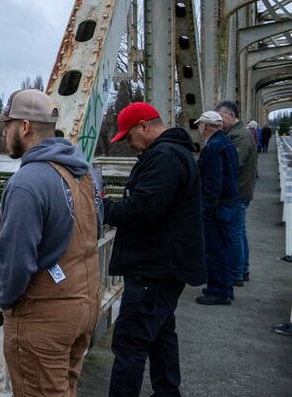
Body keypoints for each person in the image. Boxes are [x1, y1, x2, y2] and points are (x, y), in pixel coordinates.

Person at [0, 89, 104, 397]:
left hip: (44, 318)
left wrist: (7, 302)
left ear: (24, 127)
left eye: (7, 124)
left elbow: (15, 261)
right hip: (85, 304)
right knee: (65, 389)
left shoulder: (27, 182)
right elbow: (97, 229)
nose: (3, 132)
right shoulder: (86, 171)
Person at [104, 102, 206, 396]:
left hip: (153, 268)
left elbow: (142, 210)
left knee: (129, 342)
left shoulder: (163, 157)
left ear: (145, 126)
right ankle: (167, 392)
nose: (128, 143)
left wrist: (104, 208)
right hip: (167, 265)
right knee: (161, 333)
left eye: (128, 135)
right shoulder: (175, 153)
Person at [194, 111, 240, 305]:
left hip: (217, 207)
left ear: (205, 126)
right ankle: (223, 286)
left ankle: (219, 290)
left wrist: (206, 208)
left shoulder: (213, 147)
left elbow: (213, 182)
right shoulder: (227, 143)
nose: (199, 129)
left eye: (200, 126)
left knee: (215, 249)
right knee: (223, 246)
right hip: (228, 203)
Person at [215, 101, 257, 284]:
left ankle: (235, 273)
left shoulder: (240, 136)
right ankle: (242, 269)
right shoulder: (238, 134)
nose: (219, 120)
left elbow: (232, 163)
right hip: (241, 189)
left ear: (231, 115)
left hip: (238, 191)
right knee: (239, 232)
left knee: (234, 233)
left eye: (221, 116)